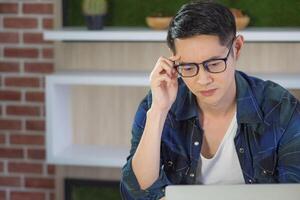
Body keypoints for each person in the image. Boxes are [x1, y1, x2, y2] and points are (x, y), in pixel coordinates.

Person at [120, 1, 300, 199]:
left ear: (237, 48)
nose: (203, 80)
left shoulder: (281, 108)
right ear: (174, 61)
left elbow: (294, 192)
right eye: (188, 67)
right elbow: (135, 193)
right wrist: (158, 112)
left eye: (214, 64)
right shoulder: (157, 105)